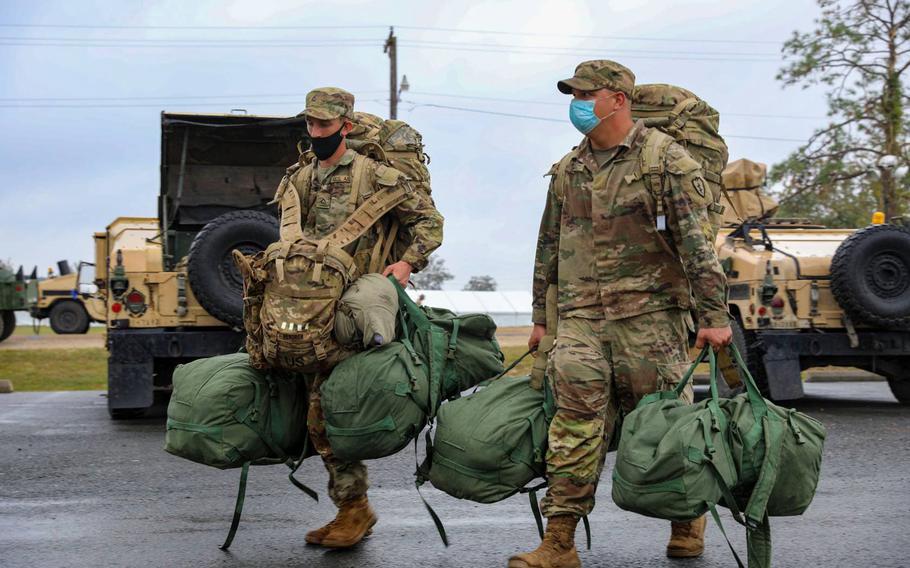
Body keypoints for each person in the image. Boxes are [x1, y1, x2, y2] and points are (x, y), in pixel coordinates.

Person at [512, 61, 732, 568]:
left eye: (588, 93)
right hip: (582, 318)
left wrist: (713, 315)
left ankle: (686, 520)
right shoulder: (569, 168)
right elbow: (549, 243)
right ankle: (559, 541)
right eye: (574, 94)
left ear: (618, 99)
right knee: (573, 425)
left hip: (651, 317)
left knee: (664, 425)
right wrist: (541, 317)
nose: (578, 102)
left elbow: (697, 245)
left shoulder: (665, 162)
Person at [283, 87, 444, 548]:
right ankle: (352, 508)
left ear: (345, 127)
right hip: (310, 307)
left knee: (325, 409)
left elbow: (430, 223)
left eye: (325, 125)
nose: (315, 132)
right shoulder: (300, 177)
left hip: (357, 309)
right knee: (313, 409)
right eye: (310, 124)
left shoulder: (377, 175)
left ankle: (355, 509)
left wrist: (407, 263)